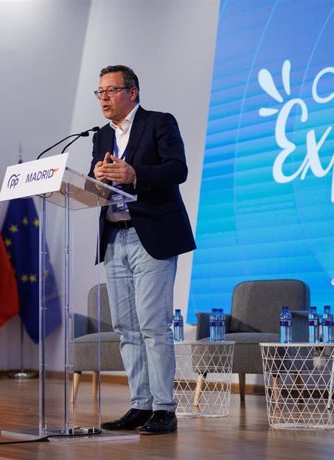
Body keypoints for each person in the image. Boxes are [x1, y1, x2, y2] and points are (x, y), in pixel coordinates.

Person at [89, 65, 196, 435]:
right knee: (125, 327)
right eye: (99, 91)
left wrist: (135, 175)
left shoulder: (159, 123)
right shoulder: (101, 136)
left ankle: (164, 408)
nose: (103, 97)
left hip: (152, 235)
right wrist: (96, 180)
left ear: (132, 93)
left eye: (111, 90)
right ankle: (140, 404)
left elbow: (177, 170)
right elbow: (97, 179)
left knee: (152, 324)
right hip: (115, 236)